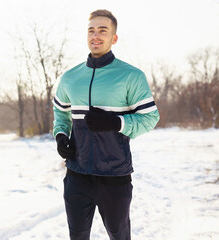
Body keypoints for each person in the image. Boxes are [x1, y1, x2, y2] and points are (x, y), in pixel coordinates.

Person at [52, 9, 160, 240]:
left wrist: (115, 122)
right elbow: (60, 113)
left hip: (115, 177)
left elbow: (150, 118)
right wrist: (61, 136)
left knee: (119, 235)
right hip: (77, 175)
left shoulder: (131, 76)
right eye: (91, 30)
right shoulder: (70, 77)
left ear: (114, 38)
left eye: (103, 30)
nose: (96, 35)